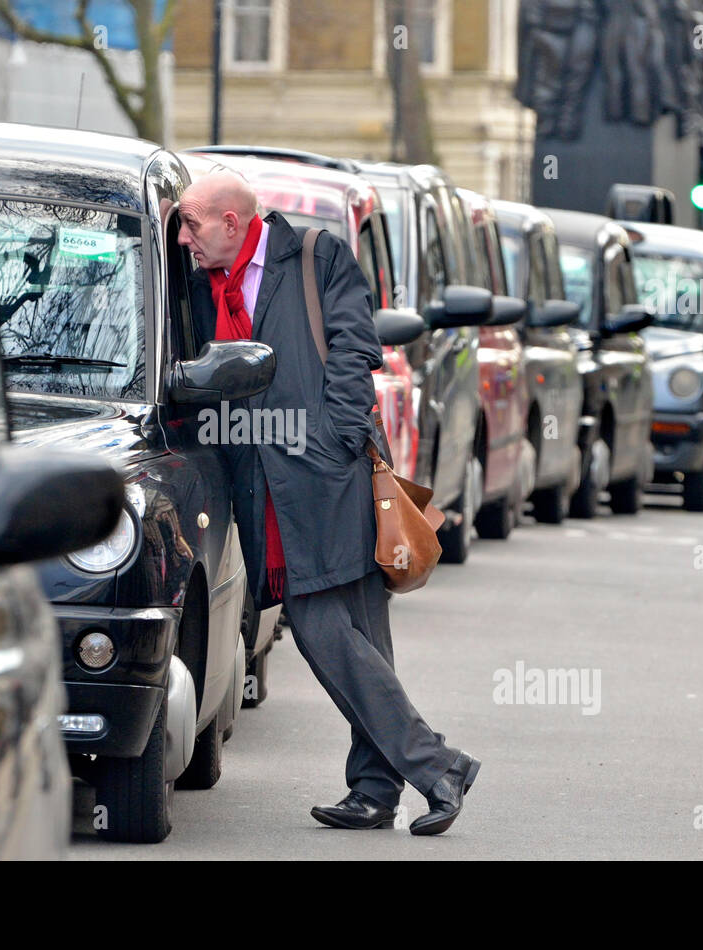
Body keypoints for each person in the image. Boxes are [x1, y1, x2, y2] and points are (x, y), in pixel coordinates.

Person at [177, 170, 480, 835]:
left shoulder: (315, 254)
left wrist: (333, 434)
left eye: (192, 223)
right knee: (362, 636)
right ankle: (374, 790)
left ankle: (437, 766)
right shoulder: (196, 278)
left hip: (331, 476)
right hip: (262, 484)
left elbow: (355, 346)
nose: (182, 236)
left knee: (318, 628)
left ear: (233, 223)